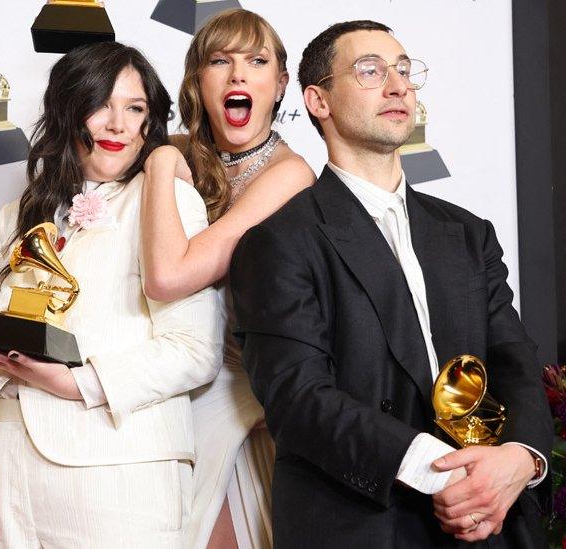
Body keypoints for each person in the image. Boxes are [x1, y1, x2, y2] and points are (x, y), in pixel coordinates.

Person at [231, 20, 551, 547]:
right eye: (370, 71)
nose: (398, 85)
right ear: (318, 101)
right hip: (368, 519)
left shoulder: (468, 234)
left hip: (493, 517)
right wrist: (441, 470)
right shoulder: (278, 241)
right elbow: (298, 397)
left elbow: (515, 360)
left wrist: (519, 458)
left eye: (404, 70)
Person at [0, 41, 225, 548]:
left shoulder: (166, 197)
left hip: (118, 472)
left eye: (135, 109)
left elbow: (194, 352)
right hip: (3, 473)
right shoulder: (18, 213)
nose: (118, 125)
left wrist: (78, 384)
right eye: (100, 105)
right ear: (68, 111)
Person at [140, 9, 314, 548]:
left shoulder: (290, 174)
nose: (239, 75)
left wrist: (160, 162)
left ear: (280, 83)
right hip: (160, 369)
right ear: (198, 79)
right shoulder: (173, 148)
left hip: (240, 384)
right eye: (221, 61)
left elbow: (170, 276)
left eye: (257, 62)